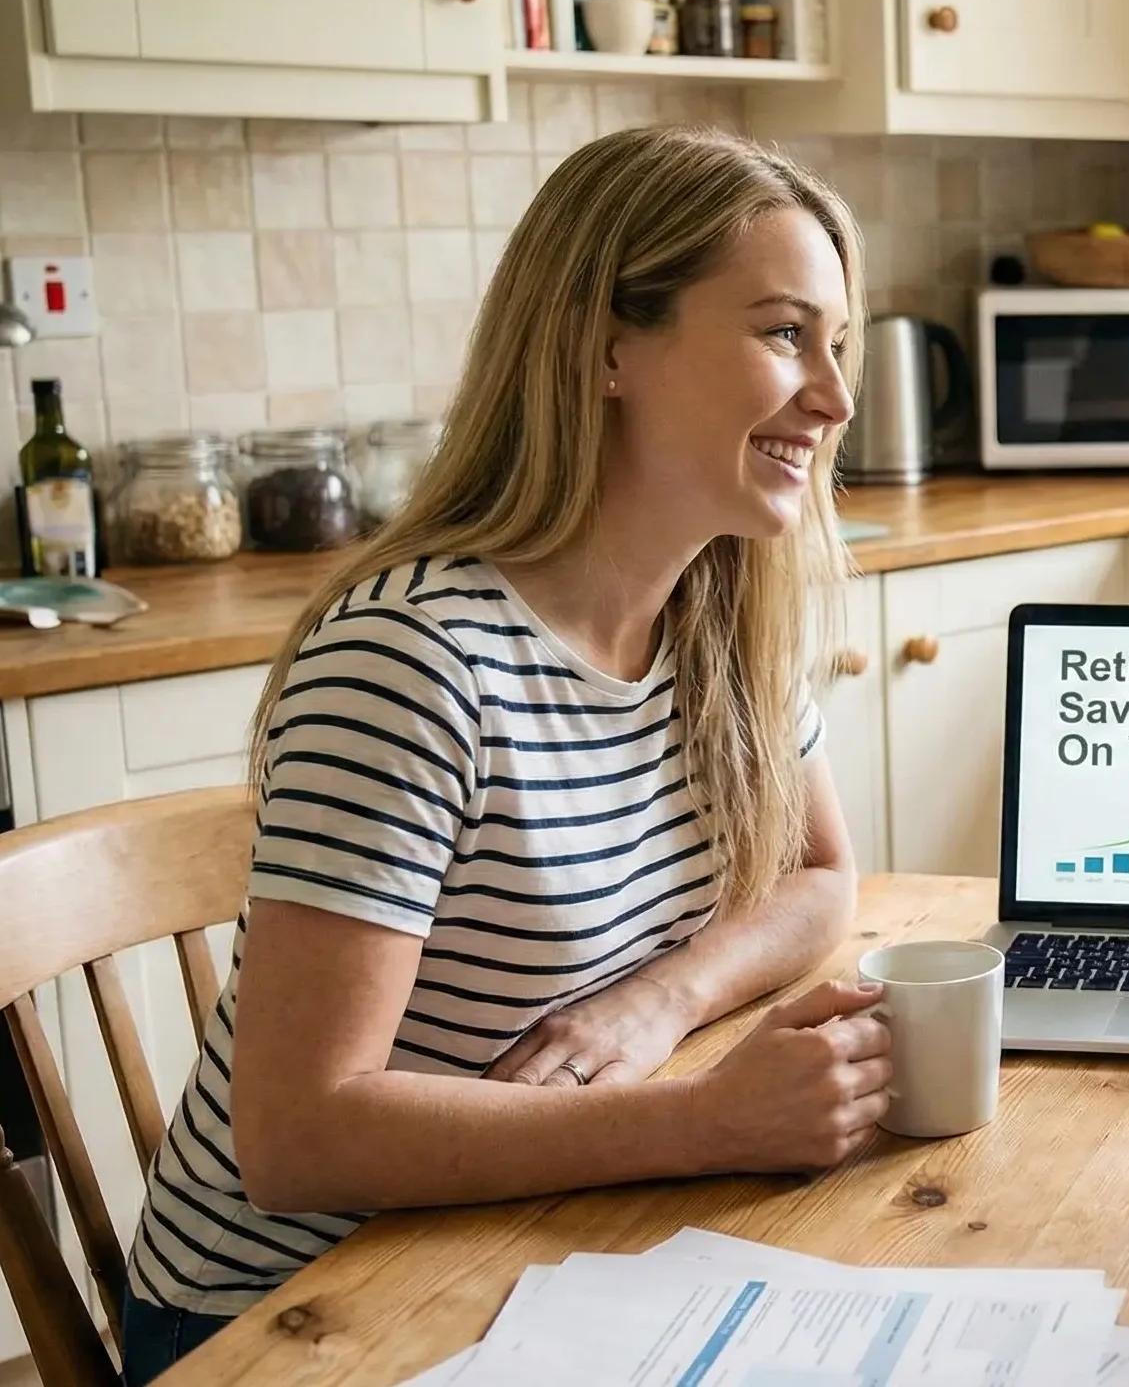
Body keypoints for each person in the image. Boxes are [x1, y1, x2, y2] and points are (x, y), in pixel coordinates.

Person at [119, 126, 893, 1384]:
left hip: (525, 1233)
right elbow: (299, 1136)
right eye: (782, 333)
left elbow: (819, 880)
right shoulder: (413, 662)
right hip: (289, 1310)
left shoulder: (721, 610)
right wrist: (700, 1117)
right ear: (604, 346)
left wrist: (662, 1000)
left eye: (837, 342)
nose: (835, 397)